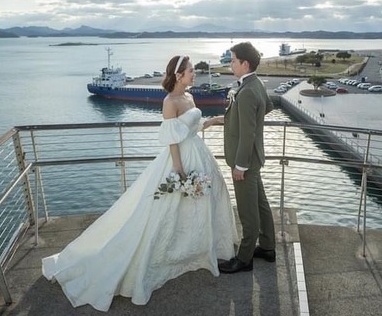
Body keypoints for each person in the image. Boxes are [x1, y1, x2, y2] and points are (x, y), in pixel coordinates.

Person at [42, 54, 238, 311]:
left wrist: (212, 121)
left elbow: (189, 127)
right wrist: (180, 173)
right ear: (179, 75)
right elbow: (172, 139)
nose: (195, 74)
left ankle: (198, 248)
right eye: (191, 71)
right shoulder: (169, 101)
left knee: (202, 202)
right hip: (181, 160)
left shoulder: (189, 97)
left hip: (198, 152)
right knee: (167, 209)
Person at [218, 41, 276, 274]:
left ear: (245, 63)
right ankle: (268, 246)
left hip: (246, 162)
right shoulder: (256, 84)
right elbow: (268, 107)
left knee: (247, 211)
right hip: (254, 159)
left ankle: (244, 258)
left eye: (233, 60)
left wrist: (240, 165)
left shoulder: (248, 91)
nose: (230, 64)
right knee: (261, 205)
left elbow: (248, 133)